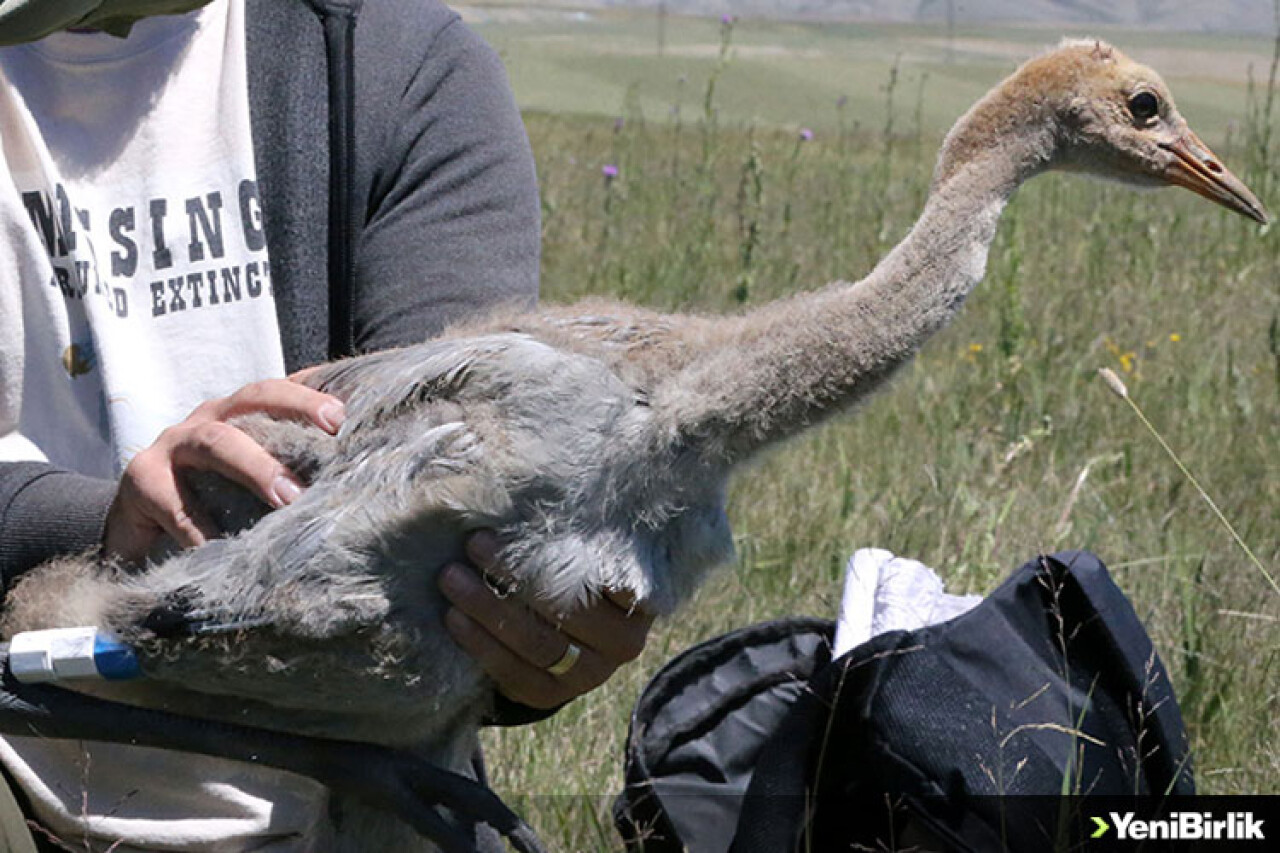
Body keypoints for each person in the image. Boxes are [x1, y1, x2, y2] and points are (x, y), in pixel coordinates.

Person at [0, 0, 652, 849]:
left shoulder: (403, 70)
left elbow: (454, 506)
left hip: (344, 790)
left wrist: (525, 637)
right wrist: (108, 523)